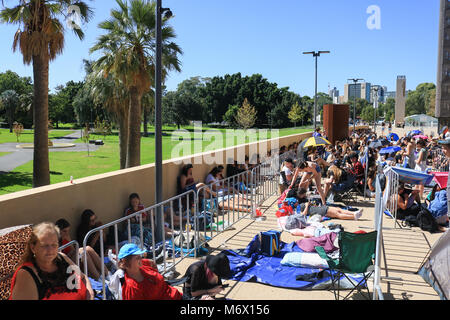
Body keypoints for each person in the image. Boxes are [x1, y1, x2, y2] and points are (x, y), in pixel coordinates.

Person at [9, 222, 94, 300]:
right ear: (33, 247)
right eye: (44, 245)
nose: (50, 250)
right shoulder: (26, 274)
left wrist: (90, 295)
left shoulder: (63, 258)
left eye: (54, 244)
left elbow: (83, 277)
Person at [117, 243, 182, 300]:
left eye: (140, 256)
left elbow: (151, 262)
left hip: (175, 294)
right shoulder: (132, 288)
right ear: (127, 262)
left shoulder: (143, 264)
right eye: (137, 258)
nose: (141, 259)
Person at [296, 188, 363, 220]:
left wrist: (311, 204)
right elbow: (303, 214)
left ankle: (354, 213)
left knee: (338, 209)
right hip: (321, 211)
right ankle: (354, 217)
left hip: (321, 208)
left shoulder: (303, 203)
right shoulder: (301, 206)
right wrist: (307, 206)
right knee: (337, 214)